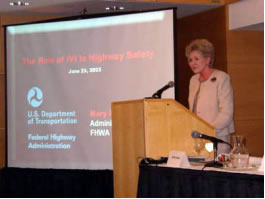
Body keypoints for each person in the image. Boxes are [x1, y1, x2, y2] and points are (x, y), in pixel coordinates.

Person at [185, 39, 235, 155]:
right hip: (197, 137)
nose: (193, 63)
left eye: (196, 59)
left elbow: (226, 113)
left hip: (217, 137)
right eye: (190, 60)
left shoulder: (221, 78)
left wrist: (208, 130)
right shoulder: (193, 80)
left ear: (207, 59)